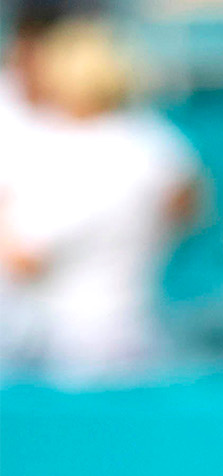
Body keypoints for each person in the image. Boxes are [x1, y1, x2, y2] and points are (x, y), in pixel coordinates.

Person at [0, 14, 202, 381]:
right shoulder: (155, 142)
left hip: (70, 346)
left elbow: (24, 257)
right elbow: (189, 206)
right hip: (136, 325)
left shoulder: (87, 155)